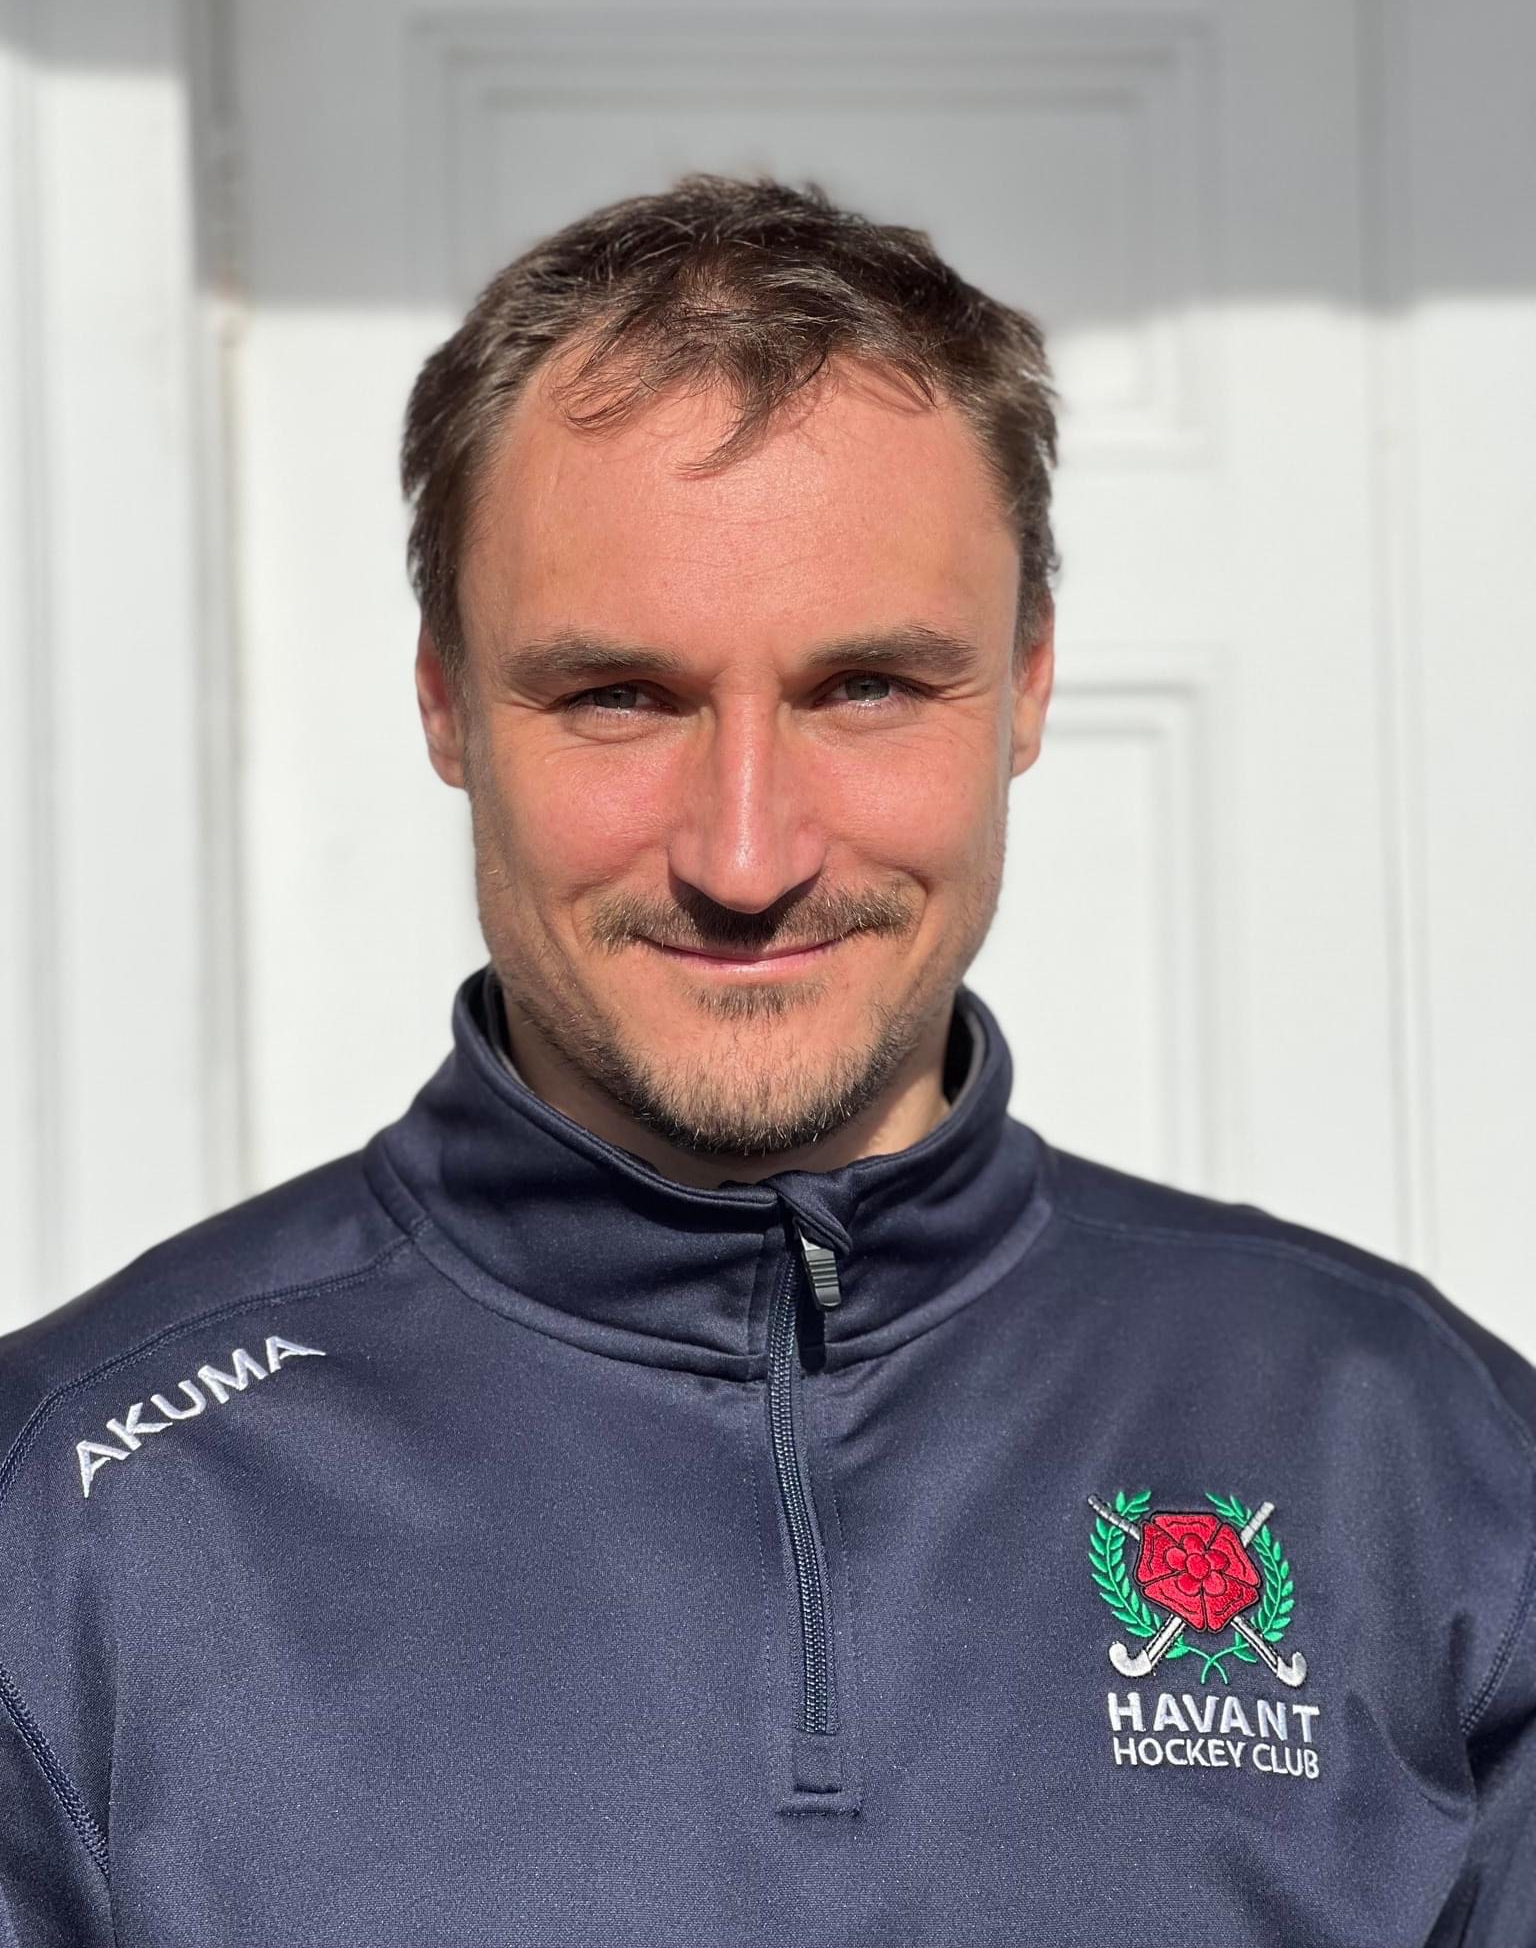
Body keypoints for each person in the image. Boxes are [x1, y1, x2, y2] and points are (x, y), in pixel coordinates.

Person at [1, 173, 1531, 1948]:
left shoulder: (1415, 1452)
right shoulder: (69, 1513)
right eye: (622, 698)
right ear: (442, 701)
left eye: (867, 687)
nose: (746, 855)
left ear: (1029, 684)